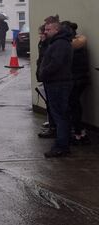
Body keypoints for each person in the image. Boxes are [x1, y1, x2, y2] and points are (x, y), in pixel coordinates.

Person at [37, 20, 73, 158]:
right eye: (45, 29)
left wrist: (43, 72)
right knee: (60, 115)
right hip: (56, 83)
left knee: (60, 116)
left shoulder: (60, 44)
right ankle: (62, 145)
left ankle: (61, 146)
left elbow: (55, 63)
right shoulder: (56, 42)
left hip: (58, 84)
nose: (45, 32)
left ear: (56, 30)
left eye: (48, 29)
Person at [62, 21, 91, 145]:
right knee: (75, 105)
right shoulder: (79, 44)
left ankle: (79, 132)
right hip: (80, 79)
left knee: (74, 106)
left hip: (75, 80)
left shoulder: (72, 46)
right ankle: (79, 131)